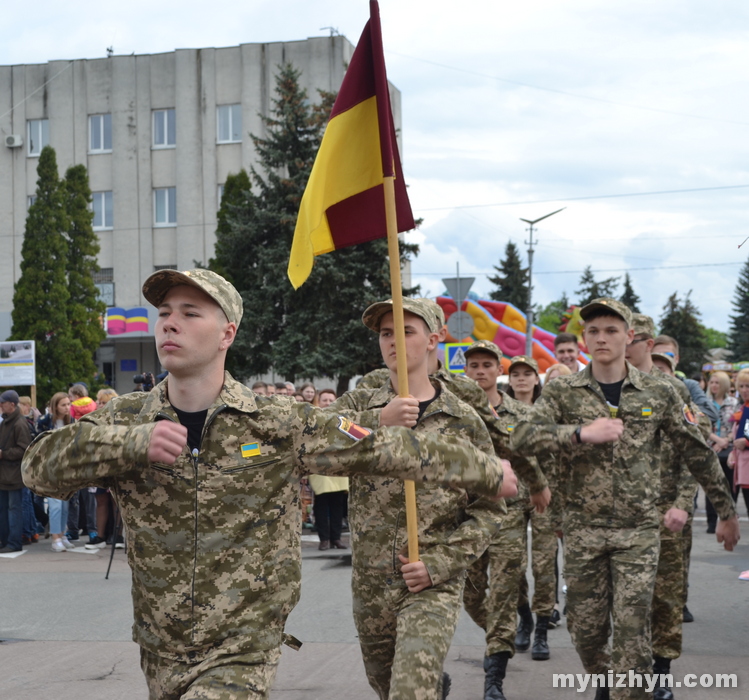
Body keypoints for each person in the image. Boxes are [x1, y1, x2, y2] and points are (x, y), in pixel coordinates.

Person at [22, 268, 509, 700]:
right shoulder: (126, 420)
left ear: (226, 334)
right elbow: (38, 468)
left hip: (243, 649)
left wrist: (488, 471)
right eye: (165, 312)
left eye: (190, 313)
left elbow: (383, 447)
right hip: (160, 649)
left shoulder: (277, 422)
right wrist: (130, 445)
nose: (169, 322)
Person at [510, 298, 740, 700]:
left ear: (630, 337)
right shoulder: (565, 389)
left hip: (638, 532)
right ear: (584, 338)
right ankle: (603, 682)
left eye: (611, 331)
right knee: (586, 630)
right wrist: (579, 433)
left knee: (633, 630)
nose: (602, 338)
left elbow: (695, 450)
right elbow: (521, 438)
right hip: (583, 531)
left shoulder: (660, 390)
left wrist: (725, 511)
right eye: (594, 331)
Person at [333, 299, 516, 700]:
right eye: (385, 333)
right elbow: (317, 443)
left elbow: (490, 510)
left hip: (431, 581)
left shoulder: (461, 417)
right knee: (386, 685)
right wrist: (376, 422)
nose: (393, 340)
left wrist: (440, 563)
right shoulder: (358, 406)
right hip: (372, 580)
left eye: (406, 330)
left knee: (409, 690)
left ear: (435, 339)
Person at [462, 342, 553, 699]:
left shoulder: (517, 411)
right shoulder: (455, 410)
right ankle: (512, 624)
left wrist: (541, 489)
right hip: (465, 516)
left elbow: (535, 454)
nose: (480, 371)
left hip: (508, 513)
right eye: (473, 365)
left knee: (503, 589)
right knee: (471, 595)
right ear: (465, 370)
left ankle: (495, 674)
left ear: (497, 370)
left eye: (487, 365)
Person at [625, 313, 707, 699]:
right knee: (624, 597)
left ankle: (661, 671)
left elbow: (695, 453)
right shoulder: (606, 389)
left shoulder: (676, 393)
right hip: (623, 513)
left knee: (666, 595)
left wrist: (682, 503)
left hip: (668, 512)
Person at [36, 393, 78, 552]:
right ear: (55, 407)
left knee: (66, 504)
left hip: (66, 467)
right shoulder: (43, 422)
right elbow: (37, 444)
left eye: (68, 404)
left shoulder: (72, 421)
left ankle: (62, 534)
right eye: (63, 405)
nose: (67, 408)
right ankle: (55, 538)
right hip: (49, 467)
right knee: (55, 505)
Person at [705, 371, 740, 533]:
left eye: (717, 382)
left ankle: (729, 517)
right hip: (709, 448)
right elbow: (700, 426)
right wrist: (717, 440)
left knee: (729, 486)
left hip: (729, 449)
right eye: (711, 382)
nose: (713, 385)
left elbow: (739, 426)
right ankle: (711, 523)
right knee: (710, 486)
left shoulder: (733, 403)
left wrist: (726, 440)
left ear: (725, 385)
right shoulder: (703, 402)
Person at [0, 390, 33, 553]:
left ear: (11, 404)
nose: (0, 405)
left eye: (3, 403)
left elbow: (24, 450)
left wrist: (3, 454)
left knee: (14, 509)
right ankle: (5, 540)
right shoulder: (5, 422)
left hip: (13, 474)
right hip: (4, 474)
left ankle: (14, 542)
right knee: (5, 509)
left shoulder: (20, 423)